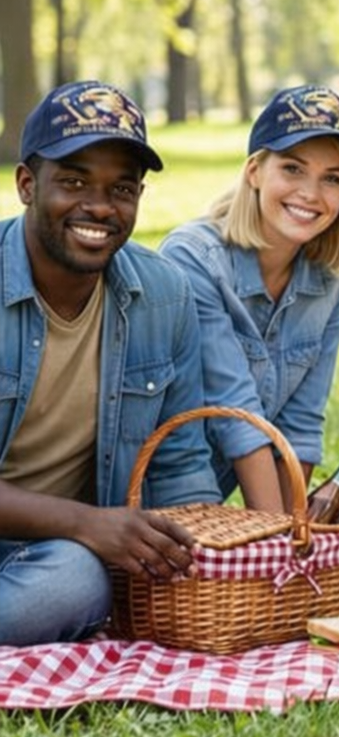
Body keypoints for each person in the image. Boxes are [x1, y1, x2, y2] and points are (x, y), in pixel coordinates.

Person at [0, 81, 221, 647]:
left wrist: (209, 561)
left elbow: (179, 461)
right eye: (73, 181)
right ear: (28, 184)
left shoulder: (165, 295)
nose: (99, 206)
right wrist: (87, 524)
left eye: (121, 188)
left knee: (75, 583)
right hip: (74, 536)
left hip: (53, 558)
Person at [159, 85, 339, 512]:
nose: (311, 193)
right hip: (155, 496)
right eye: (293, 169)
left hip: (217, 509)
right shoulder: (195, 258)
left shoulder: (330, 280)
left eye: (332, 178)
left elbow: (303, 421)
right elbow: (232, 408)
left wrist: (294, 525)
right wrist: (277, 540)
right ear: (255, 171)